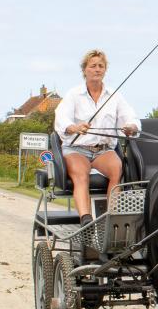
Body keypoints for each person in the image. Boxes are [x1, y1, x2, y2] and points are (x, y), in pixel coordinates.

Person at [54, 49, 141, 226]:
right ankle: (86, 220)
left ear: (105, 70)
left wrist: (131, 127)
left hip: (104, 151)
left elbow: (130, 118)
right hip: (76, 149)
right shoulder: (73, 95)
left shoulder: (115, 96)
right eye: (93, 66)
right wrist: (74, 127)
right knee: (81, 175)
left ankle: (112, 219)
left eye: (101, 66)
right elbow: (61, 119)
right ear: (84, 70)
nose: (97, 69)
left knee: (117, 170)